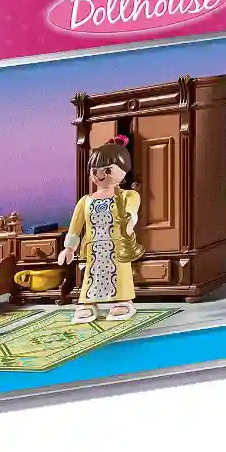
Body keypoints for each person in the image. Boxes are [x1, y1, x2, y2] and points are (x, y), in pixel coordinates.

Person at [58, 135, 140, 323]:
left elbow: (131, 213)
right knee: (91, 275)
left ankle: (123, 301)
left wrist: (128, 221)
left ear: (123, 170)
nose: (100, 175)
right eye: (94, 171)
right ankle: (88, 303)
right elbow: (75, 227)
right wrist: (69, 249)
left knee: (120, 273)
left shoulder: (129, 195)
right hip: (93, 247)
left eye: (107, 170)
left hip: (117, 246)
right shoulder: (85, 201)